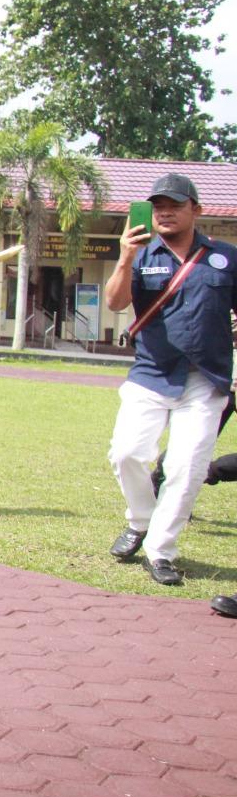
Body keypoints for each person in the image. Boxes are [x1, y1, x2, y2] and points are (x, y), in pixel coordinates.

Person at [105, 173, 235, 587]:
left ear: (196, 210)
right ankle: (141, 521)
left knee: (186, 466)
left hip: (206, 379)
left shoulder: (225, 257)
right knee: (126, 453)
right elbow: (115, 302)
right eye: (158, 206)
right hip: (151, 372)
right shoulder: (141, 254)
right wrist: (125, 257)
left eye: (175, 205)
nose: (164, 212)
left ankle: (161, 550)